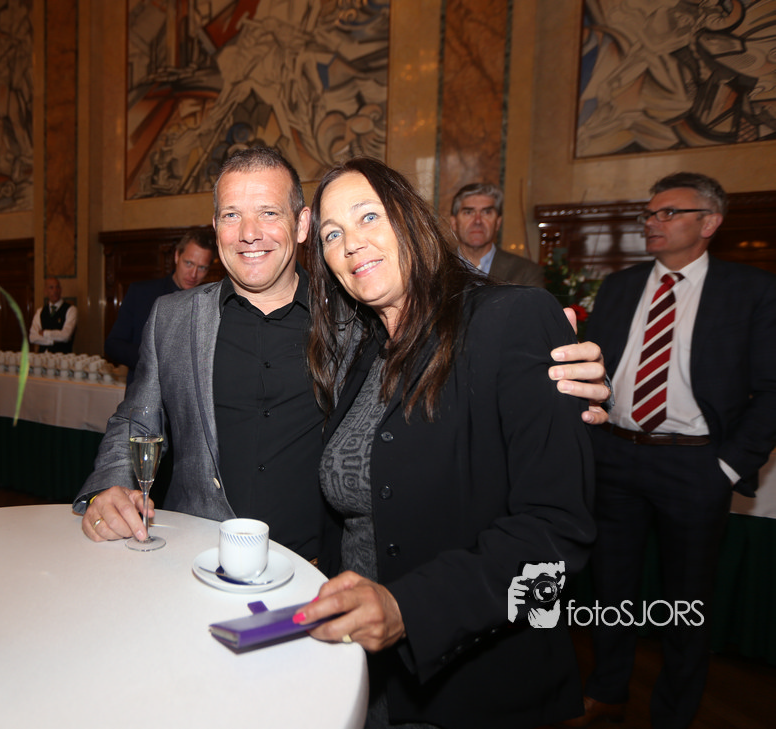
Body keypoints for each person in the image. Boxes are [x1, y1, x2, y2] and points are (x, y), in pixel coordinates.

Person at [74, 147, 608, 567]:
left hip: (317, 570)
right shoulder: (173, 317)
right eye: (231, 215)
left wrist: (554, 380)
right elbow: (135, 422)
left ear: (302, 225)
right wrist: (108, 487)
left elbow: (448, 341)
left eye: (268, 213)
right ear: (215, 229)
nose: (249, 233)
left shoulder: (358, 315)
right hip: (196, 557)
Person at [287, 157, 594, 729]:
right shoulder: (360, 350)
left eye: (369, 216)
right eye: (332, 234)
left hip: (468, 680)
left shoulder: (510, 318)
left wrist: (408, 608)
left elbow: (556, 531)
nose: (352, 243)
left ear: (411, 220)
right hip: (362, 665)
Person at [562, 172, 776, 729]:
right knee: (610, 587)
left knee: (687, 598)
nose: (652, 223)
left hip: (695, 465)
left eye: (668, 213)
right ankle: (607, 691)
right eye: (650, 214)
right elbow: (597, 370)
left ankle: (675, 713)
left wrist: (726, 467)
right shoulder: (621, 285)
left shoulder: (751, 290)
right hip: (615, 456)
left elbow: (772, 390)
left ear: (709, 223)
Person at [104, 231, 216, 385]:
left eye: (202, 268)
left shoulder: (210, 305)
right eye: (188, 263)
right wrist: (155, 359)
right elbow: (113, 345)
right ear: (177, 256)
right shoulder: (141, 293)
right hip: (143, 392)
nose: (193, 274)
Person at [450, 182, 544, 287]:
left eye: (486, 212)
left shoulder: (525, 272)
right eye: (468, 212)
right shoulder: (438, 269)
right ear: (454, 223)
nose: (477, 221)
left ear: (498, 223)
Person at [28, 276, 76, 353]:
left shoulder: (71, 310)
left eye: (57, 287)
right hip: (42, 356)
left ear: (60, 290)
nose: (55, 290)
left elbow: (66, 336)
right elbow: (32, 337)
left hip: (63, 357)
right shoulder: (40, 311)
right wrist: (52, 341)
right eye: (51, 288)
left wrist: (45, 333)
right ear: (45, 291)